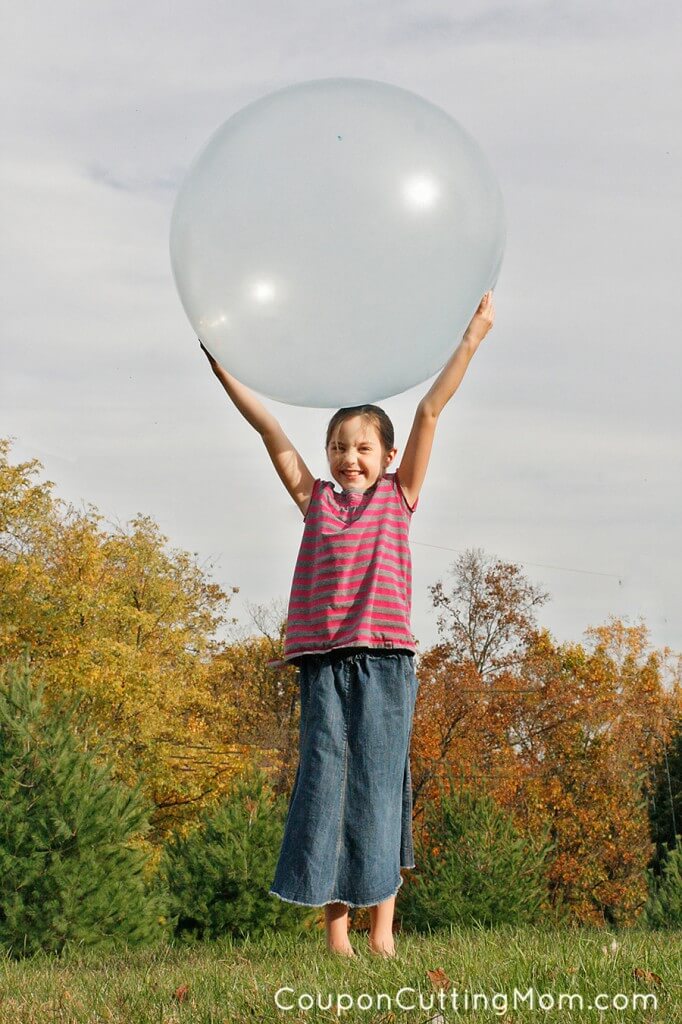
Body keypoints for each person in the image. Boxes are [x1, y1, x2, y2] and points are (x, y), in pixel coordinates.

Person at [200, 291, 495, 957]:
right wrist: (225, 372)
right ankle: (338, 938)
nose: (349, 458)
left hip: (387, 662)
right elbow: (270, 432)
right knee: (328, 786)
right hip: (325, 663)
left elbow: (429, 409)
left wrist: (471, 337)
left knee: (380, 787)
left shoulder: (399, 495)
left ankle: (383, 934)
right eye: (338, 446)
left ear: (387, 456)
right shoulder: (316, 501)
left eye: (362, 447)